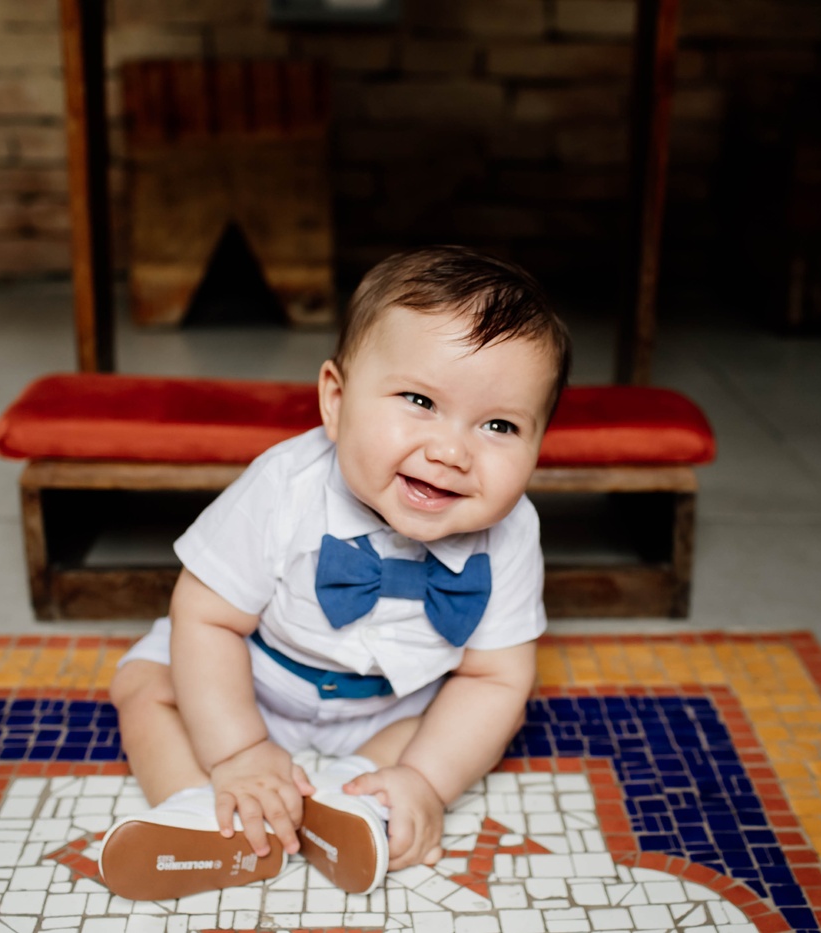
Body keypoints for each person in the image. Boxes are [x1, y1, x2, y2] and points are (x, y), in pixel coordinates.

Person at [98, 245, 572, 901]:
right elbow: (206, 618)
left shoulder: (512, 530)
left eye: (499, 425)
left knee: (486, 717)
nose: (451, 450)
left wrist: (427, 780)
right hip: (251, 675)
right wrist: (237, 750)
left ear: (539, 444)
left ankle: (355, 795)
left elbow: (495, 677)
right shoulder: (283, 485)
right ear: (336, 400)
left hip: (389, 704)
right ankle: (200, 807)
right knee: (147, 684)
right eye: (420, 400)